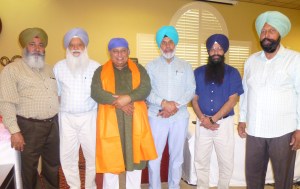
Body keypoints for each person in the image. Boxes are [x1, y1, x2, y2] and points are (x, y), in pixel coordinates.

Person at [238, 11, 300, 189]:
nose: (266, 35)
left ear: (280, 33)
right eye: (263, 31)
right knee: (253, 179)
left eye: (271, 31)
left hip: (283, 130)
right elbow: (245, 92)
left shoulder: (295, 59)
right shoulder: (251, 61)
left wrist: (299, 129)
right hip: (255, 130)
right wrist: (242, 118)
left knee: (283, 181)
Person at [91, 38, 157, 189]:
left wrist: (127, 98)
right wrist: (120, 104)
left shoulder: (139, 69)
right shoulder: (100, 71)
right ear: (110, 53)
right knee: (111, 160)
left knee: (135, 161)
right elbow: (96, 92)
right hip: (110, 123)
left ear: (128, 52)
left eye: (123, 51)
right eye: (115, 51)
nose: (119, 55)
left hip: (135, 122)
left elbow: (145, 88)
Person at [0, 27, 60, 189]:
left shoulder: (49, 68)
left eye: (41, 45)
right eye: (32, 44)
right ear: (25, 47)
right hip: (29, 126)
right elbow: (6, 102)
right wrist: (14, 131)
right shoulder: (12, 69)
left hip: (53, 124)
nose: (37, 48)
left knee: (53, 164)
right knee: (28, 168)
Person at [146, 25, 195, 189]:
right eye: (164, 42)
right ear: (159, 45)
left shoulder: (186, 66)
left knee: (177, 157)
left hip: (179, 117)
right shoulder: (151, 66)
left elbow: (190, 89)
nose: (167, 46)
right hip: (156, 116)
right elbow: (147, 91)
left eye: (170, 42)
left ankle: (174, 186)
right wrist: (164, 103)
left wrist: (175, 106)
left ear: (175, 44)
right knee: (154, 157)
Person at [192, 34, 243, 189]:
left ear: (224, 51)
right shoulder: (198, 72)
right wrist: (203, 119)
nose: (216, 52)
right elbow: (194, 99)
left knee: (226, 163)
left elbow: (233, 100)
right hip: (202, 123)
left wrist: (212, 120)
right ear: (208, 51)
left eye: (219, 48)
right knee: (201, 161)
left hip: (224, 124)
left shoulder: (233, 73)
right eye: (213, 49)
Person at [53, 28, 100, 189]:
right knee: (67, 157)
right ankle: (73, 186)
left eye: (79, 44)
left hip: (89, 116)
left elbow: (100, 93)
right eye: (72, 45)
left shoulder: (96, 67)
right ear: (67, 47)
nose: (75, 48)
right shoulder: (58, 67)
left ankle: (90, 186)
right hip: (66, 117)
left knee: (92, 156)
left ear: (84, 46)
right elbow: (57, 93)